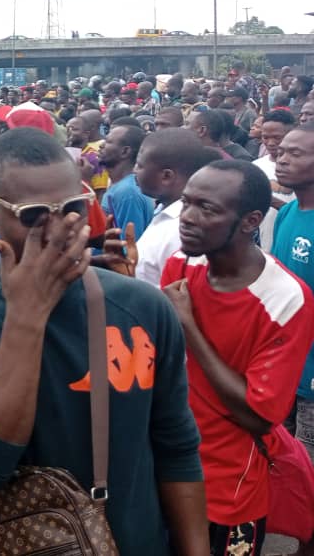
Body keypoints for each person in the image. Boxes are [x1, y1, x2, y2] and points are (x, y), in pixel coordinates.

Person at [0, 127, 208, 556]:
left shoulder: (143, 307)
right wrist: (27, 315)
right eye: (34, 215)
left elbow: (177, 448)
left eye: (74, 208)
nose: (61, 229)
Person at [162, 160, 314, 554]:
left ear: (251, 222)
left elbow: (259, 417)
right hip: (166, 468)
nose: (187, 218)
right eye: (186, 203)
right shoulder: (182, 264)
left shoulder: (285, 299)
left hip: (230, 488)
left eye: (207, 209)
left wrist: (188, 326)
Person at [271, 123, 314, 474]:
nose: (281, 160)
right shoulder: (287, 213)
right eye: (281, 152)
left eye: (295, 154)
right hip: (285, 367)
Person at [132, 129, 222, 287]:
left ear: (166, 176)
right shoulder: (164, 212)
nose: (134, 170)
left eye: (139, 165)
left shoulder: (183, 229)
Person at [98, 124, 153, 238]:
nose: (101, 145)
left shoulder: (128, 192)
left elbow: (129, 246)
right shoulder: (119, 185)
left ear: (125, 151)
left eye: (108, 142)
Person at [252, 109, 296, 249]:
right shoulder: (256, 167)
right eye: (265, 137)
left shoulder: (304, 168)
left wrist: (271, 201)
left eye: (277, 138)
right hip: (264, 243)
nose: (270, 143)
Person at [67, 111, 109, 195]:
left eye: (74, 129)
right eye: (67, 128)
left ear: (86, 134)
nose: (69, 132)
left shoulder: (94, 158)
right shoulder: (64, 153)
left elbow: (100, 192)